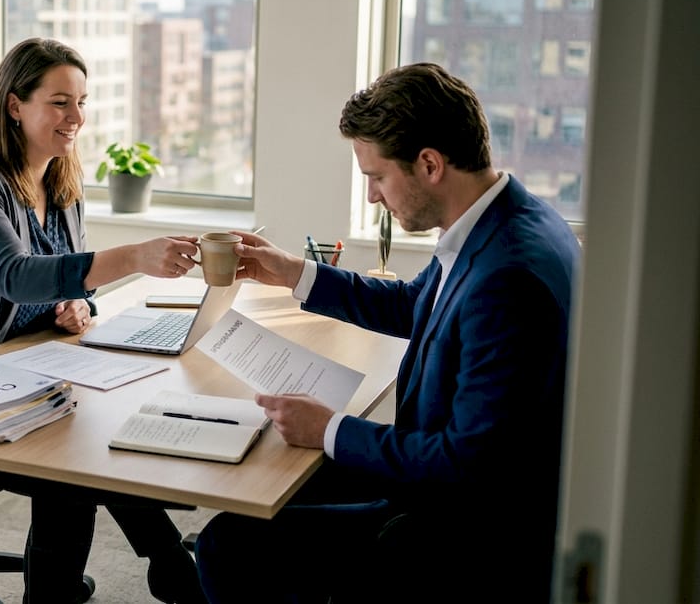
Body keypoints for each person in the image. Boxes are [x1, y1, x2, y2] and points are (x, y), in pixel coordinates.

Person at [193, 63, 580, 603]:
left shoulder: (507, 276)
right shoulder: (504, 221)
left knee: (228, 545)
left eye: (376, 177)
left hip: (462, 529)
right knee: (262, 486)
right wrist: (291, 272)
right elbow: (414, 304)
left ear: (429, 164)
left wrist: (331, 429)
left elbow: (465, 465)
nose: (373, 196)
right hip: (448, 476)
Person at [0, 37, 206, 604]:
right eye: (60, 102)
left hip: (14, 364)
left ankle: (167, 566)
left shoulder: (59, 181)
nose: (76, 117)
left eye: (81, 102)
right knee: (74, 464)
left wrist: (81, 306)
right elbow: (14, 274)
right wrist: (132, 257)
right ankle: (166, 569)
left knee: (106, 424)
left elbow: (64, 277)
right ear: (14, 105)